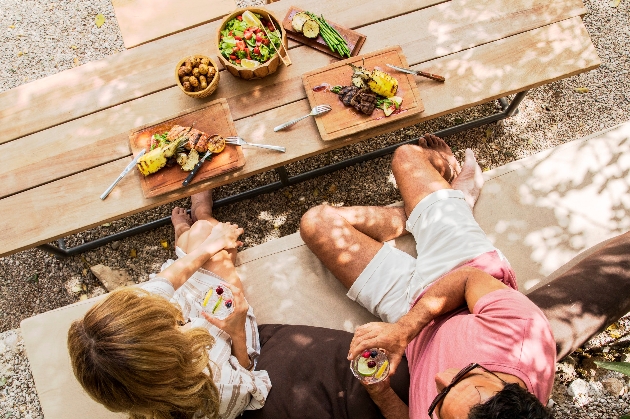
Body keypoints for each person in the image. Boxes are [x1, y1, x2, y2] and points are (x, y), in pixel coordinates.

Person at [299, 134, 556, 418]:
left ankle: (429, 208)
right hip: (459, 267)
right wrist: (403, 331)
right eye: (465, 375)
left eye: (438, 405)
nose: (440, 378)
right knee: (407, 156)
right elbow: (468, 279)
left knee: (316, 222)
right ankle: (447, 181)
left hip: (406, 310)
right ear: (509, 387)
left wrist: (381, 393)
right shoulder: (524, 333)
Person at [67, 190, 271, 419]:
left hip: (190, 318)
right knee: (209, 237)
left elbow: (167, 280)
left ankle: (187, 230)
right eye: (174, 324)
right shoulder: (216, 391)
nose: (182, 321)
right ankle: (197, 220)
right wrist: (237, 334)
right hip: (226, 338)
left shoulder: (129, 319)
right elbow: (248, 376)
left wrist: (214, 243)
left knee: (206, 237)